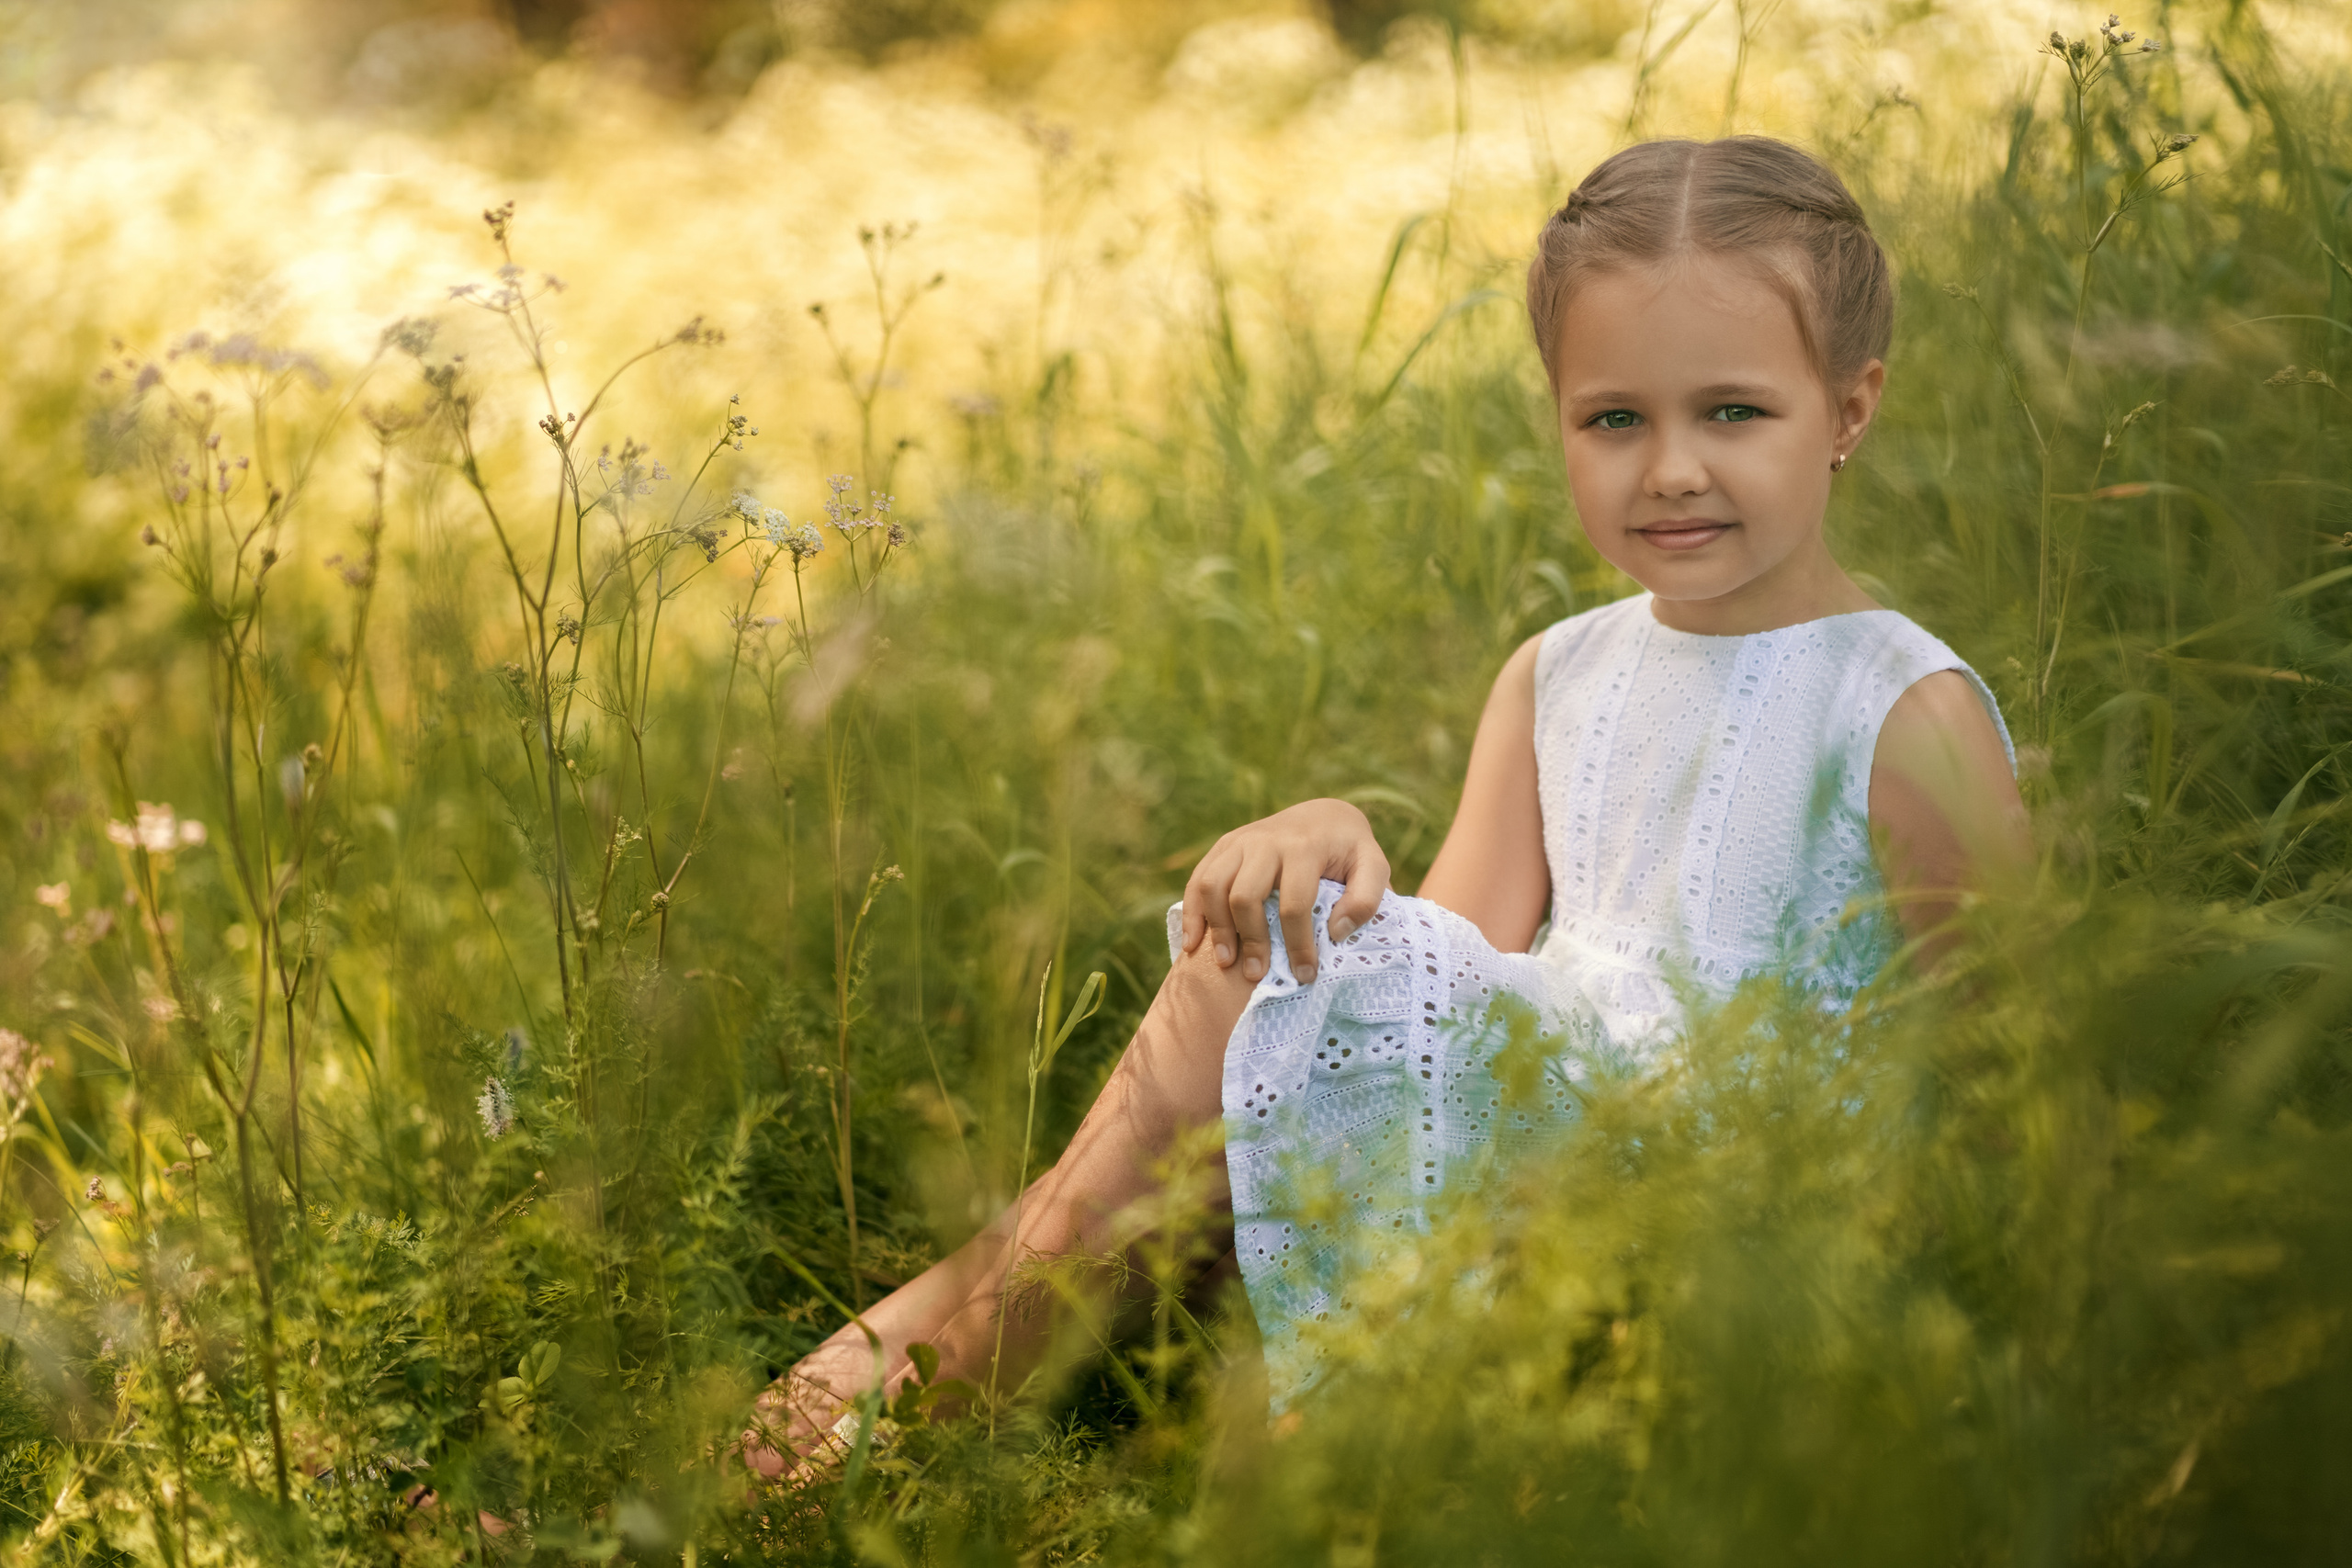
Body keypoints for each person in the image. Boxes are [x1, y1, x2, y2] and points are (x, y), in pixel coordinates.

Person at [741, 134, 2028, 1472]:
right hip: (1560, 1138)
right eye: (1615, 420)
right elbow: (1434, 995)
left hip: (1742, 1201)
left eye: (1734, 413)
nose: (1672, 469)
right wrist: (1327, 829)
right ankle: (820, 1437)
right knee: (1262, 962)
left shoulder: (1899, 706)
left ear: (1851, 411)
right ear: (1561, 420)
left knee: (1214, 1034)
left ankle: (832, 1451)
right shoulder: (1559, 674)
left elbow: (2011, 1087)